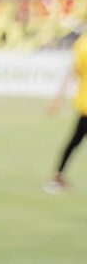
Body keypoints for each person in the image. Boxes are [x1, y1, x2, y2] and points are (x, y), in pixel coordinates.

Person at [45, 25, 87, 192]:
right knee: (75, 140)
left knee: (75, 140)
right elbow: (72, 72)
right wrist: (57, 99)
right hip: (85, 104)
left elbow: (71, 73)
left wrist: (57, 99)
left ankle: (57, 176)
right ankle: (57, 177)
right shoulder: (83, 46)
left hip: (83, 103)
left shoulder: (82, 44)